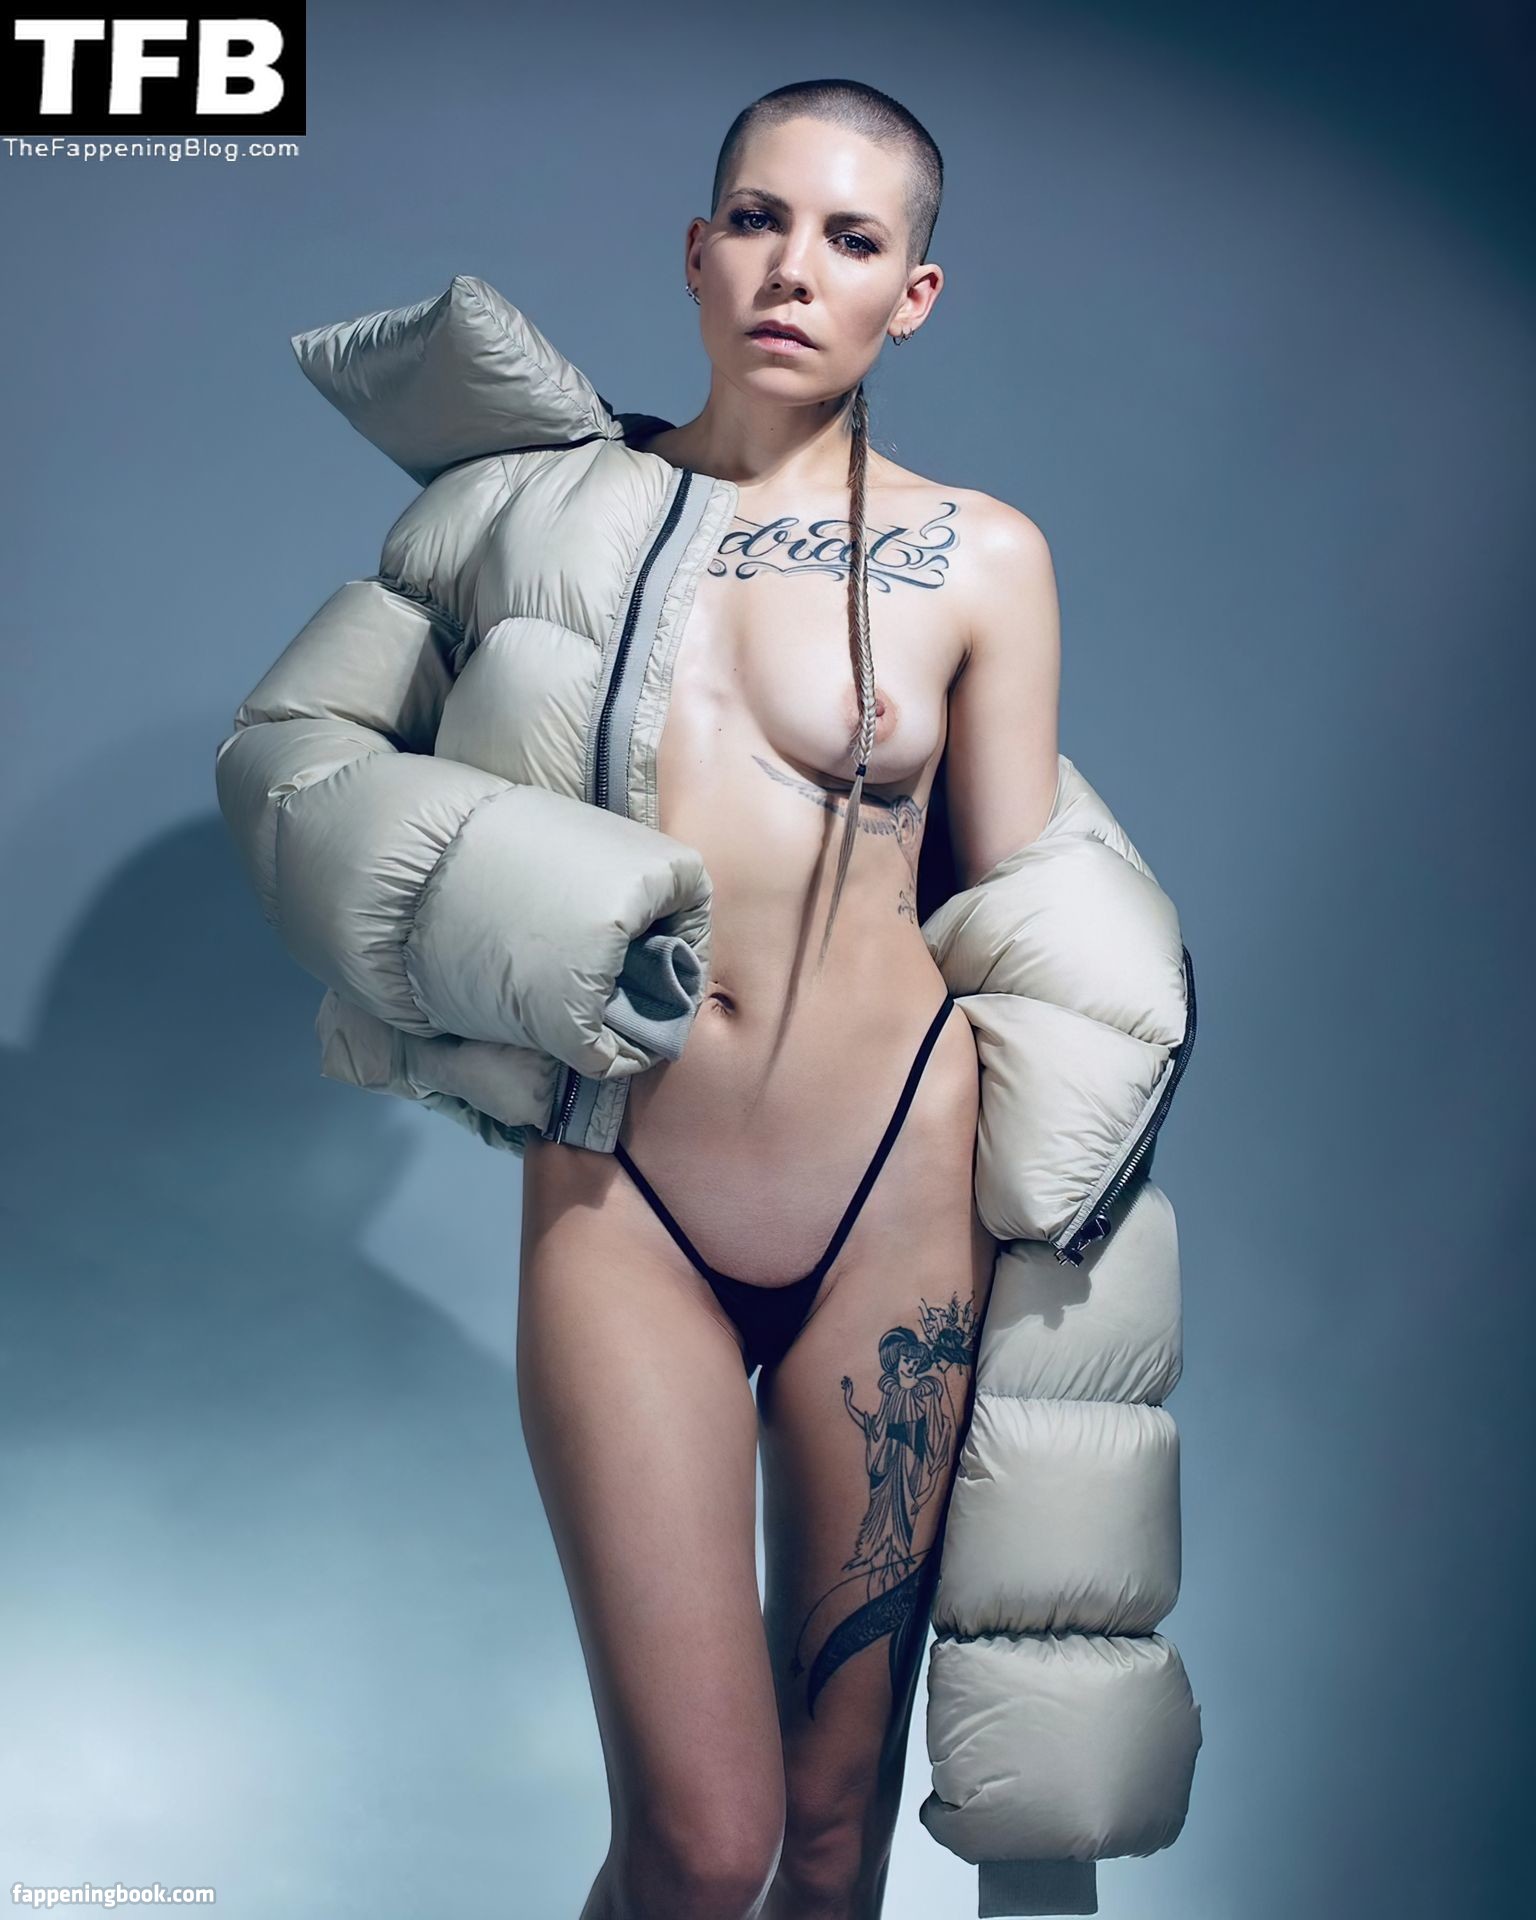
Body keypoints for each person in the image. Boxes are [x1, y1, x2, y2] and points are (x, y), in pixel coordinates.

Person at [512, 79, 1061, 1920]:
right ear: (696, 250)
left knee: (830, 1849)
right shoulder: (550, 520)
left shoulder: (982, 555)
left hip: (891, 1200)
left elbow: (1024, 913)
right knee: (700, 1844)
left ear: (913, 293)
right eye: (757, 219)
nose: (793, 269)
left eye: (852, 237)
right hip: (626, 1196)